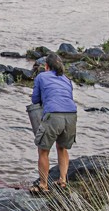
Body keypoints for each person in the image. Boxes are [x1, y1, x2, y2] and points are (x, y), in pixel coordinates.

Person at [29, 52, 77, 195]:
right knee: (62, 148)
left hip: (53, 115)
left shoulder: (41, 76)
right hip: (71, 115)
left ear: (46, 66)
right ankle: (62, 180)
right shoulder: (67, 79)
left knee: (43, 150)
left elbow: (35, 100)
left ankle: (43, 184)